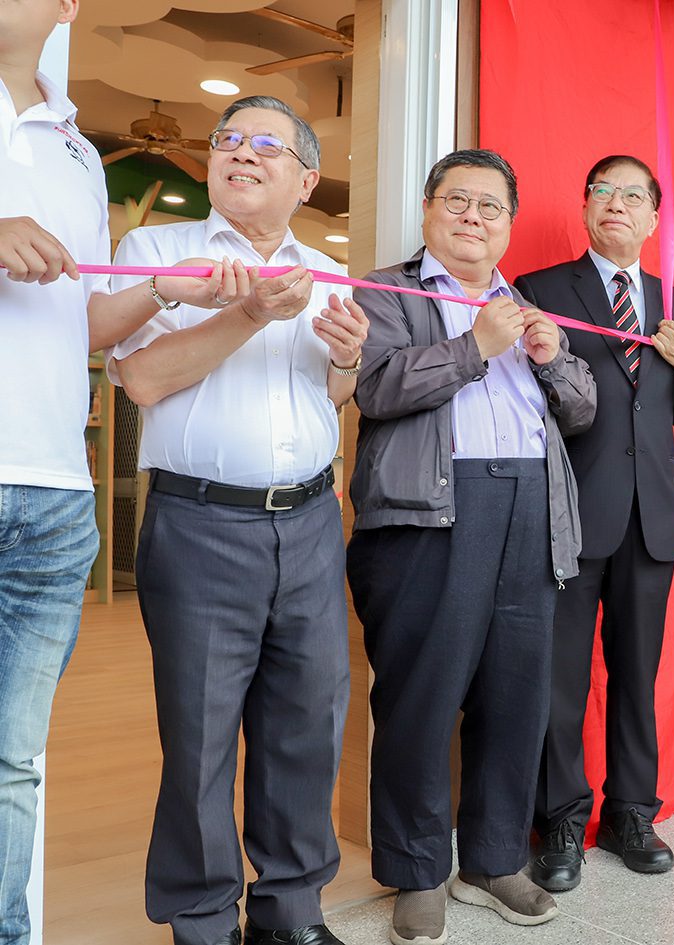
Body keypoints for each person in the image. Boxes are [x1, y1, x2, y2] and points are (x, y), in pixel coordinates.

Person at [0, 5, 244, 942]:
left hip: (57, 494)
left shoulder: (79, 153)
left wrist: (158, 291)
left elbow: (83, 324)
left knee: (14, 761)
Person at [108, 96, 368, 945]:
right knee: (200, 736)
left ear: (306, 176)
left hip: (308, 521)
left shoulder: (322, 264)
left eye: (267, 144)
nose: (241, 154)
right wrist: (246, 314)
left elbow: (325, 397)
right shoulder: (156, 253)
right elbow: (142, 380)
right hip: (199, 524)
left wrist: (347, 358)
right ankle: (203, 918)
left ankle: (291, 913)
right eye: (228, 141)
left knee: (306, 727)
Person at [346, 149, 596, 945]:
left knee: (515, 696)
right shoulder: (386, 290)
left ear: (507, 225)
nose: (473, 219)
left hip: (530, 509)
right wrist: (474, 347)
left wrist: (554, 361)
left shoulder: (522, 304)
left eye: (491, 208)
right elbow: (376, 388)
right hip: (429, 515)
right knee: (419, 698)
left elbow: (582, 411)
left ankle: (489, 860)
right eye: (459, 202)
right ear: (428, 209)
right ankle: (417, 870)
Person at [513, 155, 674, 892]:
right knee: (559, 677)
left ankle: (632, 810)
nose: (616, 203)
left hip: (650, 518)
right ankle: (559, 816)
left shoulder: (673, 302)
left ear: (654, 218)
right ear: (585, 208)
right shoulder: (540, 289)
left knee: (636, 674)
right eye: (603, 191)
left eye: (633, 195)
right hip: (569, 513)